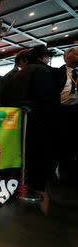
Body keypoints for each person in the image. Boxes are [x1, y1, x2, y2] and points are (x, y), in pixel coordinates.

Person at [16, 45, 58, 196]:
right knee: (39, 155)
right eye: (47, 56)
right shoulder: (43, 71)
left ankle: (25, 182)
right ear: (41, 57)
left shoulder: (21, 72)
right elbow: (46, 98)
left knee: (26, 152)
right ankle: (36, 186)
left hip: (24, 121)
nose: (49, 58)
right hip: (40, 121)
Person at [53, 47, 78, 182]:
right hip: (61, 111)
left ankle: (71, 165)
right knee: (62, 140)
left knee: (74, 140)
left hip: (76, 110)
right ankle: (61, 167)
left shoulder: (77, 73)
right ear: (68, 58)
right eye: (77, 54)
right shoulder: (58, 73)